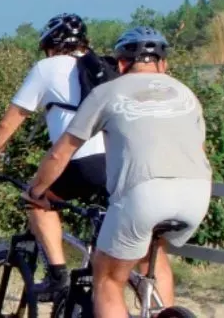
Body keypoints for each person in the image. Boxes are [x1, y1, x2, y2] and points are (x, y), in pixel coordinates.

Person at [23, 26, 212, 318]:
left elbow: (62, 152)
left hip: (143, 194)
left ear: (121, 64)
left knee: (109, 281)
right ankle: (162, 311)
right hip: (198, 194)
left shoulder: (106, 92)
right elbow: (199, 151)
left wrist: (37, 191)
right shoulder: (186, 94)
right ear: (163, 64)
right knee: (152, 256)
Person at [0, 13, 110, 299]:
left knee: (37, 201)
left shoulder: (47, 68)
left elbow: (9, 122)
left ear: (50, 44)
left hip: (79, 163)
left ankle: (58, 275)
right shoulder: (103, 68)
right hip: (117, 164)